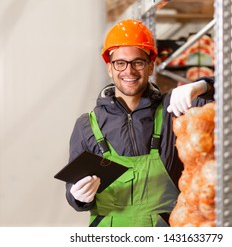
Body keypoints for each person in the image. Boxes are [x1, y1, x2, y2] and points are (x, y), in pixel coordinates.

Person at [66, 19, 214, 227]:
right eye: (120, 63)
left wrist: (203, 86)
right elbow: (73, 189)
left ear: (151, 66)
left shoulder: (174, 109)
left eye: (138, 62)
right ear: (109, 68)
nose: (129, 71)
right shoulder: (87, 126)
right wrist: (78, 196)